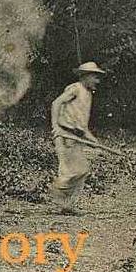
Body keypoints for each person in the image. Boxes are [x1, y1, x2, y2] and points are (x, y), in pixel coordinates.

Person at [49, 61, 106, 214]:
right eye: (95, 77)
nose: (97, 81)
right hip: (64, 134)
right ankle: (56, 194)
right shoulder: (75, 88)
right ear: (85, 77)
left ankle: (68, 205)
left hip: (76, 137)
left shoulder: (88, 95)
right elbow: (56, 103)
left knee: (83, 171)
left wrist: (93, 140)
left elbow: (82, 125)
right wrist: (55, 126)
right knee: (69, 172)